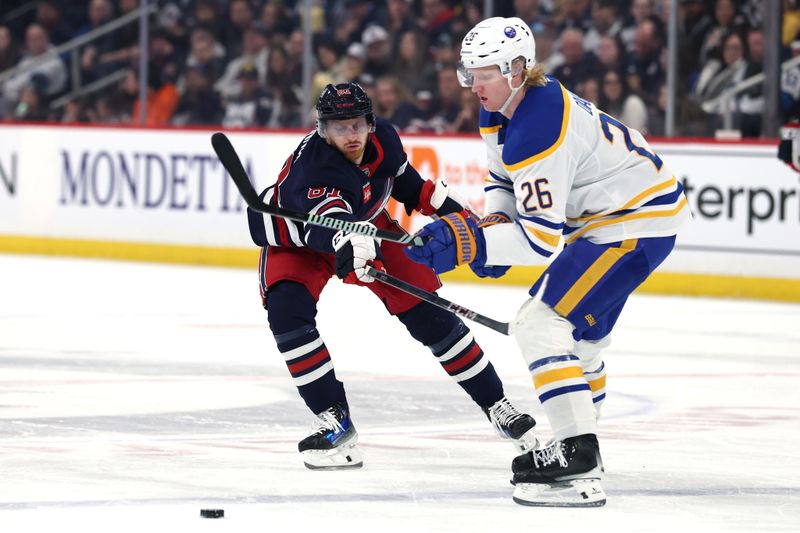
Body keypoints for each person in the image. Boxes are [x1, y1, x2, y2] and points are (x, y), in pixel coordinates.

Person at [405, 17, 691, 507]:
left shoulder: (538, 128)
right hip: (626, 218)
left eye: (485, 73)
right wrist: (491, 227)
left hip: (630, 226)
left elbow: (539, 243)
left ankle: (579, 452)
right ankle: (578, 445)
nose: (475, 85)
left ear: (517, 70)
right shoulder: (503, 110)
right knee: (580, 340)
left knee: (538, 323)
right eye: (469, 73)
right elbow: (501, 181)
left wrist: (469, 244)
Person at [246, 82, 538, 470]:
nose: (351, 135)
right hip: (296, 238)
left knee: (428, 315)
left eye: (356, 125)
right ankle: (334, 419)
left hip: (363, 226)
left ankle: (497, 405)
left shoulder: (383, 139)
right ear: (322, 130)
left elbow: (413, 188)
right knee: (287, 313)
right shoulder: (315, 169)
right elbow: (333, 224)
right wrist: (352, 246)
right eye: (339, 127)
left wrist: (468, 224)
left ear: (370, 123)